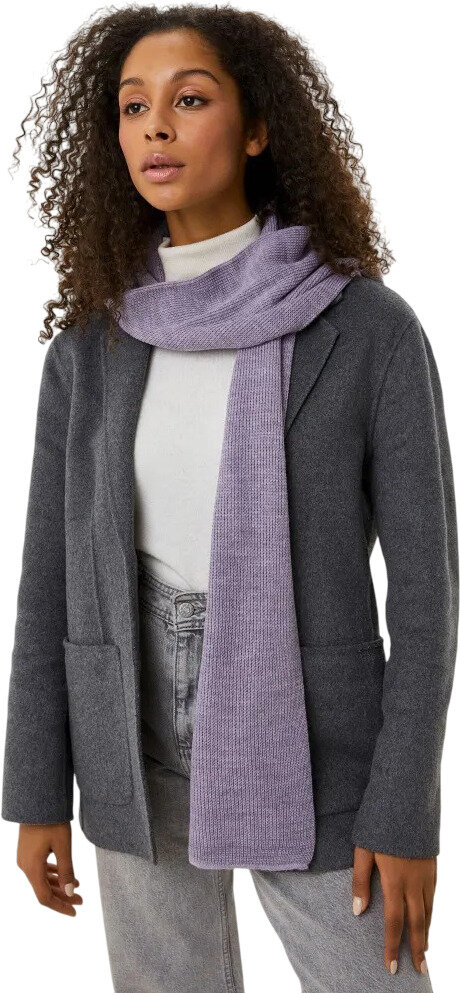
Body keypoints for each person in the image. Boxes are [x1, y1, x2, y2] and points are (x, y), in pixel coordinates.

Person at [2, 5, 457, 992]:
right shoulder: (92, 346)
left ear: (256, 129)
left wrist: (404, 810)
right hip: (129, 733)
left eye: (190, 99)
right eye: (133, 107)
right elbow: (48, 583)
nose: (155, 127)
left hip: (318, 739)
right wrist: (36, 789)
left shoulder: (366, 330)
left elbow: (428, 599)